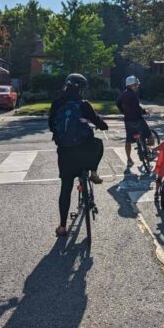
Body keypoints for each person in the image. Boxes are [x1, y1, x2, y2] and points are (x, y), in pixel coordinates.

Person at [49, 73, 109, 237]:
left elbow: (51, 125)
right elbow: (99, 123)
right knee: (98, 144)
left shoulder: (57, 102)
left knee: (66, 187)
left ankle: (62, 227)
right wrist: (103, 126)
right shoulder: (83, 105)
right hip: (84, 149)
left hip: (65, 152)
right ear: (82, 90)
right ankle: (94, 173)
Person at [116, 75, 152, 168]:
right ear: (132, 85)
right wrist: (144, 111)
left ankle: (129, 159)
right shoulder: (133, 95)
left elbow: (118, 103)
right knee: (150, 136)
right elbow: (137, 108)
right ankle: (149, 150)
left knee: (128, 140)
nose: (137, 86)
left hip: (128, 121)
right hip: (138, 120)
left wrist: (123, 111)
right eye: (136, 85)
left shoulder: (123, 94)